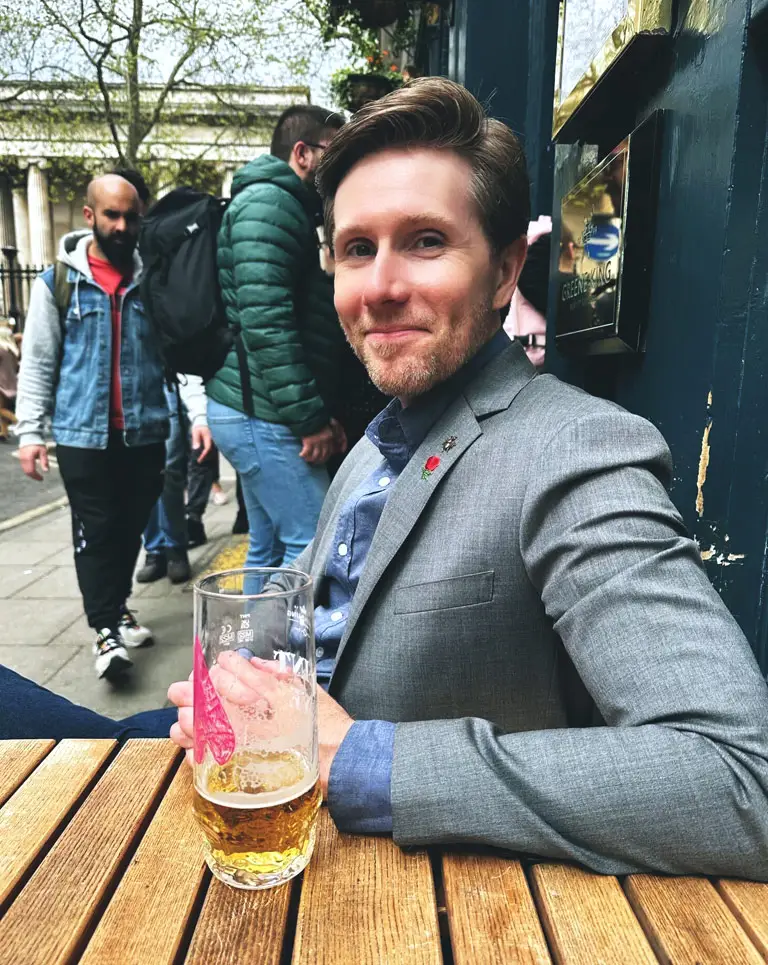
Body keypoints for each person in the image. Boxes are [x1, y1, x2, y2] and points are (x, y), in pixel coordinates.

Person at [3, 80, 768, 881]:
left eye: (428, 240)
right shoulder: (376, 442)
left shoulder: (579, 451)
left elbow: (737, 779)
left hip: (391, 883)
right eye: (358, 248)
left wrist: (360, 757)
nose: (380, 286)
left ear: (507, 269)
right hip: (245, 784)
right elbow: (329, 612)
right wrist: (234, 673)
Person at [14, 174, 168, 680]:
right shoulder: (58, 282)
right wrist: (31, 433)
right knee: (97, 530)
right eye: (112, 216)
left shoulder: (152, 279)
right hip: (83, 435)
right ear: (89, 217)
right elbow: (37, 362)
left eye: (131, 216)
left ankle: (117, 606)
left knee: (129, 531)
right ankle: (105, 629)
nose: (122, 226)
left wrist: (200, 417)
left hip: (144, 432)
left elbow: (173, 356)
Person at [205, 104, 348, 570]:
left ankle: (247, 647)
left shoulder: (282, 204)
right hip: (261, 413)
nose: (340, 159)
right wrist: (309, 419)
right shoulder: (271, 203)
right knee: (310, 546)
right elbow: (267, 321)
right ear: (303, 153)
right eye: (334, 149)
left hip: (255, 409)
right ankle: (280, 647)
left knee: (267, 550)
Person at [136, 374, 212, 583]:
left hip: (167, 383)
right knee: (141, 476)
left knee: (168, 472)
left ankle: (175, 548)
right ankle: (155, 550)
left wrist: (199, 413)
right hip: (130, 390)